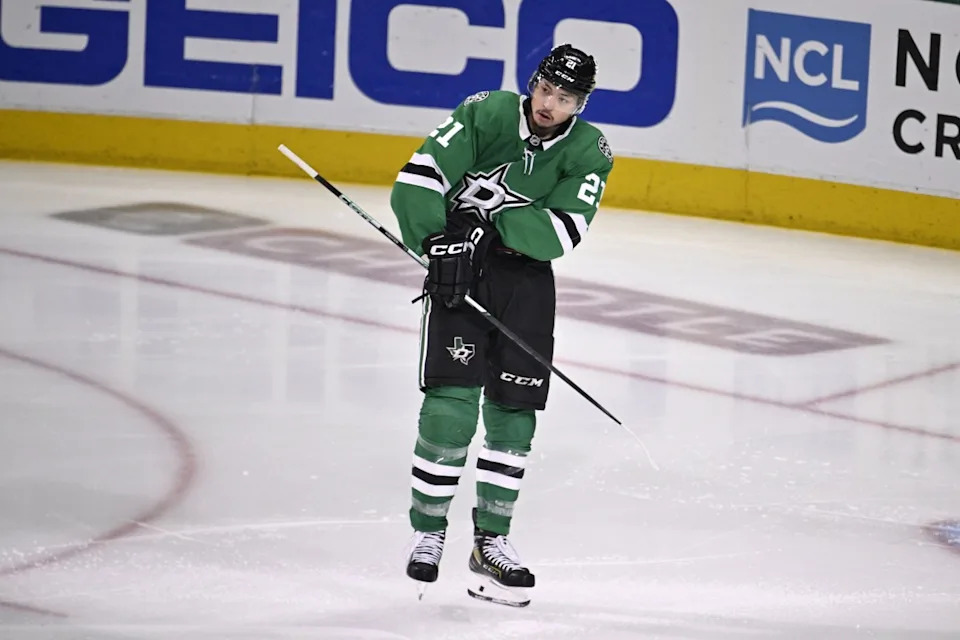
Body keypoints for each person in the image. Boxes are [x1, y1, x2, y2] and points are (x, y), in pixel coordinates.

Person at [389, 43, 614, 607]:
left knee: (514, 416)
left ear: (579, 105)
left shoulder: (591, 151)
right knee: (451, 402)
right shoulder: (486, 112)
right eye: (544, 89)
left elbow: (559, 234)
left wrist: (487, 224)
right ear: (532, 83)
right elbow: (417, 179)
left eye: (564, 98)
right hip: (459, 268)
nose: (548, 104)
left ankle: (490, 544)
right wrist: (436, 240)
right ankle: (429, 531)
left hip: (526, 286)